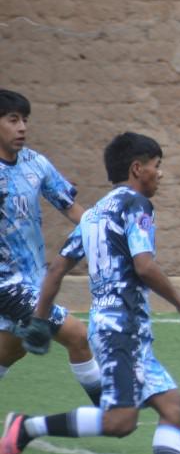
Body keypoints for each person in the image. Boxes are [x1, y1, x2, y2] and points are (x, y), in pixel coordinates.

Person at [1, 131, 180, 454]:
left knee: (173, 408)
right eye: (156, 165)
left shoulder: (95, 213)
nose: (160, 174)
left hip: (121, 329)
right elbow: (144, 265)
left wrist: (39, 321)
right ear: (138, 169)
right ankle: (27, 428)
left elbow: (57, 270)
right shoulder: (137, 205)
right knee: (120, 422)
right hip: (122, 329)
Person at [0, 89, 102, 404]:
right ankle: (111, 412)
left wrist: (104, 236)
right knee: (77, 335)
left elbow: (70, 207)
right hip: (5, 284)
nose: (22, 128)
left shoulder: (36, 164)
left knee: (11, 350)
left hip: (34, 280)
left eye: (25, 120)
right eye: (13, 119)